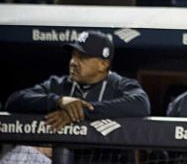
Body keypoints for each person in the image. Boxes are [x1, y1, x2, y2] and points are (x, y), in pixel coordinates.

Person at [6, 31, 150, 125]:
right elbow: (14, 100)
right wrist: (58, 101)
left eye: (82, 57)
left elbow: (141, 104)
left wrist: (78, 112)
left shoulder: (120, 85)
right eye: (73, 56)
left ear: (103, 64)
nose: (73, 62)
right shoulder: (58, 84)